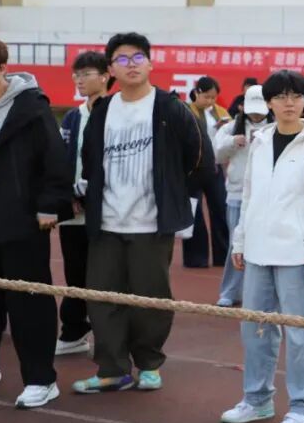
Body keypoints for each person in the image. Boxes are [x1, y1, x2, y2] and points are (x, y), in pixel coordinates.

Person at [72, 32, 209, 394]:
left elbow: (200, 160)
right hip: (106, 223)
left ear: (150, 63)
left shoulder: (169, 108)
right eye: (122, 59)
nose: (130, 65)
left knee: (151, 299)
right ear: (111, 69)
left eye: (137, 58)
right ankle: (113, 369)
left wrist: (174, 195)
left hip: (151, 224)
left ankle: (149, 364)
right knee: (102, 299)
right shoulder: (103, 111)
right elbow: (90, 161)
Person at [221, 69, 304, 423]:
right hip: (257, 252)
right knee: (255, 330)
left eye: (296, 96)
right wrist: (240, 242)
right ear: (269, 102)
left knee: (302, 335)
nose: (289, 103)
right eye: (281, 96)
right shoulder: (259, 142)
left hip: (297, 256)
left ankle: (303, 408)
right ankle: (257, 399)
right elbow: (249, 195)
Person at [0, 38, 73, 409]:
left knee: (29, 301)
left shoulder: (31, 107)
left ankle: (41, 379)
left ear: (2, 68)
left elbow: (54, 160)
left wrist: (49, 206)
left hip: (22, 221)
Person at [55, 51, 112, 357]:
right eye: (76, 75)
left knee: (105, 276)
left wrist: (89, 194)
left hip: (106, 212)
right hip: (74, 212)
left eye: (86, 74)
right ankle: (74, 331)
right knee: (75, 274)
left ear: (105, 76)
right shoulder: (72, 117)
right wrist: (68, 195)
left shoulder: (115, 113)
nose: (79, 80)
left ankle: (111, 339)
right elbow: (62, 160)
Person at [214, 84, 272, 307]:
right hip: (237, 194)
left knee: (264, 244)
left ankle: (258, 293)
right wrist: (232, 142)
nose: (256, 115)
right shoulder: (231, 127)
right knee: (235, 244)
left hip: (267, 196)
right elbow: (216, 155)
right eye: (252, 110)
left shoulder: (275, 127)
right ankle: (230, 291)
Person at [184, 76, 231, 268]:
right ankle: (196, 258)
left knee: (220, 209)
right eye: (207, 97)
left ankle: (223, 255)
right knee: (194, 214)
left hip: (214, 167)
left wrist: (224, 129)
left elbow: (230, 135)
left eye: (213, 97)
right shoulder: (186, 110)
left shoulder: (221, 112)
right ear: (197, 93)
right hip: (193, 169)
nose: (210, 101)